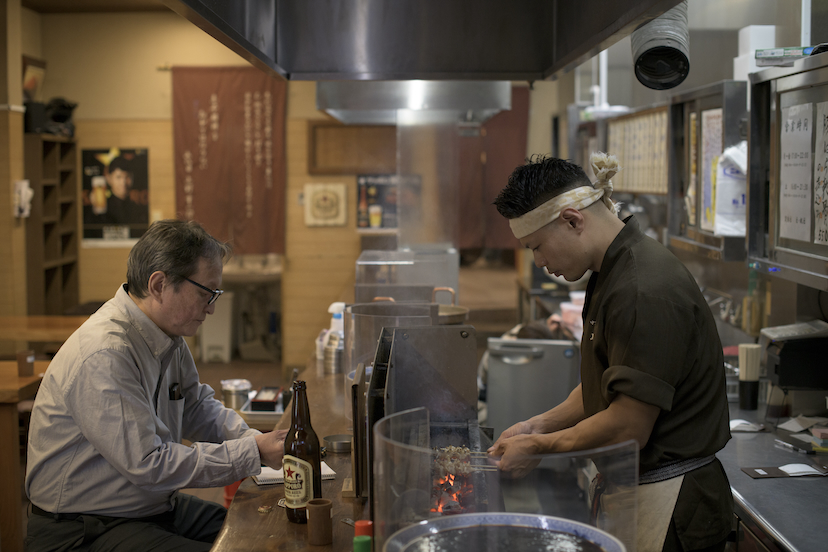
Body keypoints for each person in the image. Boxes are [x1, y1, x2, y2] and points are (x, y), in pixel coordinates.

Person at [489, 153, 733, 552]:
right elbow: (603, 388)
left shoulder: (642, 287)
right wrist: (537, 426)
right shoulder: (612, 270)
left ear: (572, 219)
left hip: (673, 506)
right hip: (639, 493)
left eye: (537, 247)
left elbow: (627, 426)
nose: (539, 262)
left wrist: (539, 447)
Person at [25, 219, 287, 552]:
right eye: (206, 293)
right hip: (83, 525)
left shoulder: (166, 334)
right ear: (160, 284)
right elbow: (149, 463)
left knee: (257, 530)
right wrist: (251, 453)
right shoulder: (105, 351)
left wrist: (254, 439)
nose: (212, 307)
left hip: (145, 505)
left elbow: (196, 406)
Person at [102, 155, 148, 224]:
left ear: (132, 178)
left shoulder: (138, 209)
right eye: (118, 177)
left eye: (127, 177)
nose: (123, 182)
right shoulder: (103, 209)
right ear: (109, 179)